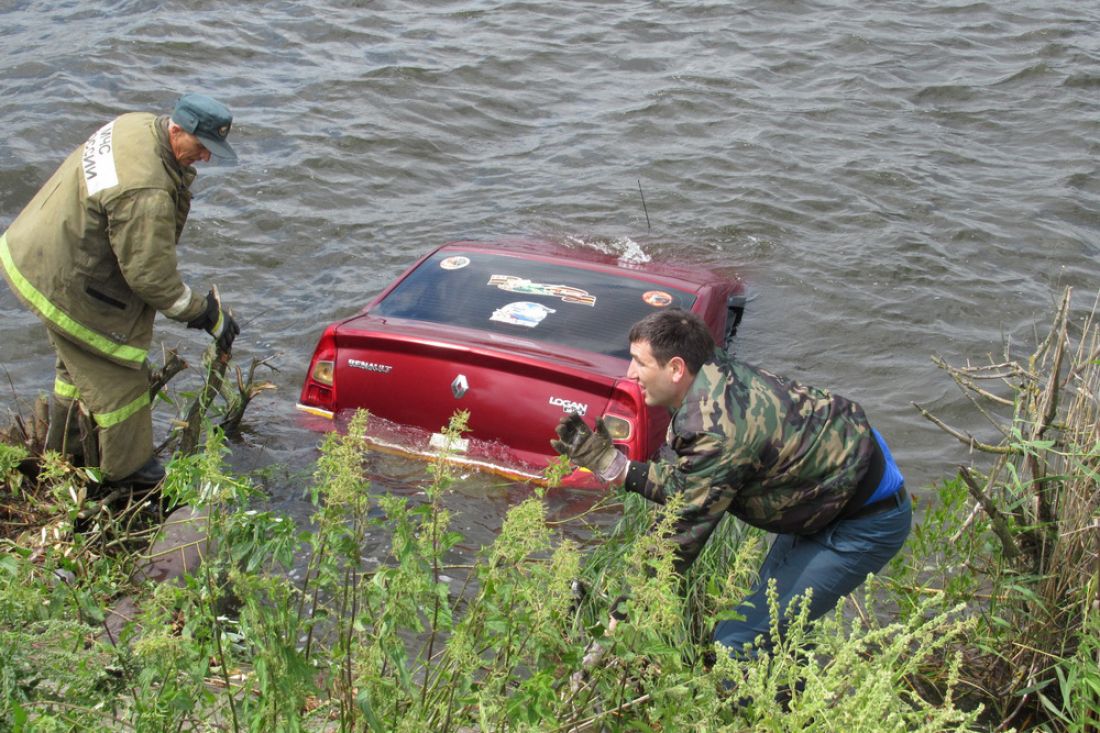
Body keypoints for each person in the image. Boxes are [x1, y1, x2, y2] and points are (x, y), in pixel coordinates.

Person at [552, 307, 911, 659]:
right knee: (766, 622)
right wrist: (615, 466)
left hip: (862, 522)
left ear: (676, 368)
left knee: (734, 646)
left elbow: (678, 535)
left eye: (640, 363)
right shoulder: (710, 369)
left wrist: (618, 620)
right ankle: (790, 691)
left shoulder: (717, 430)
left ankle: (768, 711)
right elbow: (695, 486)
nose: (630, 373)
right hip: (824, 491)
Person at [0, 93, 241, 489]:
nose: (206, 158)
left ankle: (65, 453)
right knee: (122, 376)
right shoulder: (146, 190)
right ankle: (127, 476)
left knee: (76, 368)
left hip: (38, 247)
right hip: (63, 277)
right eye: (201, 147)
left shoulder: (137, 125)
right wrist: (205, 314)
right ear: (176, 129)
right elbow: (151, 277)